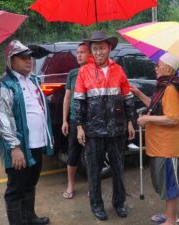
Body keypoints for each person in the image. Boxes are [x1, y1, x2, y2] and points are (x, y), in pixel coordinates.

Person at [74, 30, 135, 221]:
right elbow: (79, 102)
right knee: (94, 171)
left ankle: (119, 203)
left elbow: (128, 97)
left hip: (117, 129)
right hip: (93, 131)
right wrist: (79, 127)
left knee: (118, 169)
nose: (98, 52)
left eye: (101, 48)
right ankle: (96, 205)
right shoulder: (84, 72)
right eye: (95, 49)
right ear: (91, 51)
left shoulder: (119, 70)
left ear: (109, 48)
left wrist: (130, 122)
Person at [0, 40, 54, 225]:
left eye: (30, 57)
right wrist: (14, 147)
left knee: (30, 182)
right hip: (19, 147)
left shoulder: (33, 80)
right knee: (16, 188)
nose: (29, 61)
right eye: (23, 57)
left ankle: (30, 218)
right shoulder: (4, 85)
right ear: (11, 60)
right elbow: (3, 119)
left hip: (36, 143)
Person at [131, 52, 179, 225]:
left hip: (167, 148)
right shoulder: (164, 87)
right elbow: (156, 107)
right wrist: (139, 93)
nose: (155, 68)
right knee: (164, 183)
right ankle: (168, 214)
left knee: (170, 184)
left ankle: (171, 219)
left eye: (158, 65)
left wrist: (147, 119)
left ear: (169, 68)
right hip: (159, 147)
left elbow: (172, 118)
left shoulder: (170, 89)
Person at [61, 43, 91, 199]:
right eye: (77, 52)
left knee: (91, 154)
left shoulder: (95, 71)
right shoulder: (72, 74)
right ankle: (70, 185)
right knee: (73, 154)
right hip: (74, 119)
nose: (79, 55)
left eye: (82, 52)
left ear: (90, 54)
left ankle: (91, 186)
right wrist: (64, 120)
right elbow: (67, 97)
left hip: (91, 120)